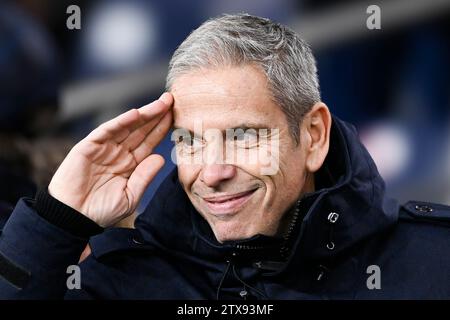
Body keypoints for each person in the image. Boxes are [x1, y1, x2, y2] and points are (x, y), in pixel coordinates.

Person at [0, 14, 449, 300]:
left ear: (313, 136)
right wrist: (53, 221)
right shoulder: (124, 282)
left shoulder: (435, 262)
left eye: (243, 136)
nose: (211, 173)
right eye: (190, 141)